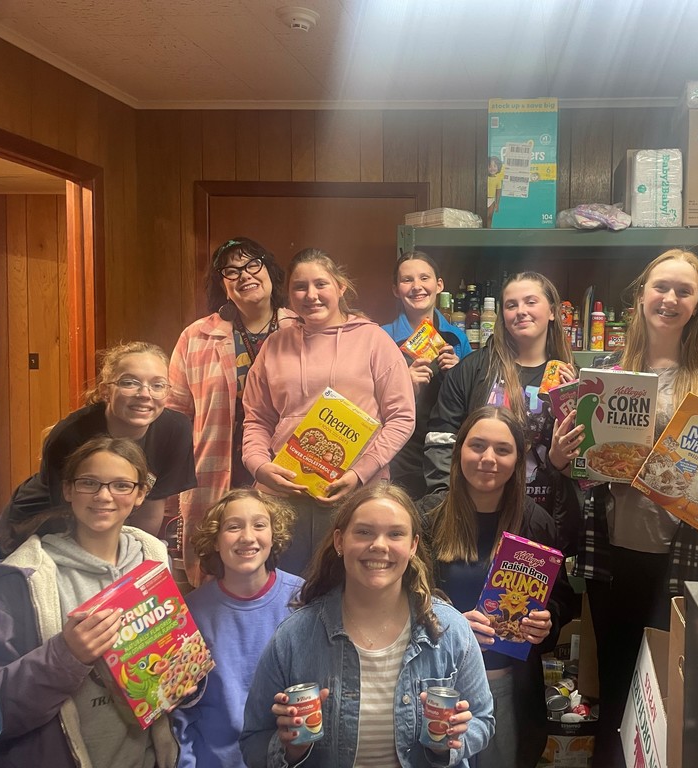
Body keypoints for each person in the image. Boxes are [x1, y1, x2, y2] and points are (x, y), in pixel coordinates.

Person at [560, 249, 698, 768]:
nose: (670, 299)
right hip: (611, 555)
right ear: (641, 294)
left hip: (686, 558)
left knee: (668, 697)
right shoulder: (604, 373)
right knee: (615, 686)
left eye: (684, 291)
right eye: (661, 287)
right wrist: (565, 455)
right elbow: (580, 468)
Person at [240, 481, 494, 768]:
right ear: (339, 541)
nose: (379, 546)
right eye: (364, 532)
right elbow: (253, 742)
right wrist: (290, 749)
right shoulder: (294, 637)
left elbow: (483, 719)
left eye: (395, 534)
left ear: (413, 545)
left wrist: (448, 744)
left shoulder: (450, 629)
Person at [0, 436, 179, 767]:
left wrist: (183, 678)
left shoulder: (155, 561)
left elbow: (171, 669)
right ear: (68, 489)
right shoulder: (19, 579)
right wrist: (65, 655)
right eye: (89, 483)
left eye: (121, 485)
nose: (104, 496)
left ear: (140, 494)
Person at [242, 248, 415, 576]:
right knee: (285, 589)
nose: (311, 295)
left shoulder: (374, 340)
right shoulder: (275, 345)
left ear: (340, 287)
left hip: (354, 494)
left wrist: (359, 474)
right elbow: (257, 419)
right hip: (283, 494)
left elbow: (402, 417)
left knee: (346, 590)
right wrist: (259, 466)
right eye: (300, 287)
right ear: (289, 294)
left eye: (320, 284)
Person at [419, 406, 573, 768]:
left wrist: (546, 623)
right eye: (477, 446)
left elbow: (561, 599)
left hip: (504, 686)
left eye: (502, 450)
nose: (488, 458)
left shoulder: (536, 522)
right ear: (459, 451)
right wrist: (452, 625)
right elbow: (402, 602)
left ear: (518, 459)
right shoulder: (426, 516)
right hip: (436, 684)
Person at [168, 237, 296, 586]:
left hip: (288, 473)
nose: (245, 275)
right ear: (222, 284)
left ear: (270, 270)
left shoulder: (303, 329)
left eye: (253, 264)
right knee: (215, 575)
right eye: (232, 271)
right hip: (215, 473)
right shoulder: (196, 336)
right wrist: (167, 495)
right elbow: (175, 418)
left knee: (287, 572)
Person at [425, 271, 579, 555]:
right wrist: (448, 502)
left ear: (552, 312)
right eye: (511, 305)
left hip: (542, 520)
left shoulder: (572, 379)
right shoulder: (472, 370)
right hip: (474, 516)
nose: (521, 311)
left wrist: (571, 403)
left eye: (530, 302)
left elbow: (586, 465)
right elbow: (441, 440)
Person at [0, 341, 197, 556]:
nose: (145, 394)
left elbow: (150, 511)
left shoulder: (176, 430)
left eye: (157, 385)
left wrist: (136, 559)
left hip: (106, 521)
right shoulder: (69, 434)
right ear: (105, 391)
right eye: (129, 383)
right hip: (44, 520)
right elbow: (68, 513)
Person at [174, 488, 304, 768]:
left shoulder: (304, 599)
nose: (247, 537)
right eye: (233, 527)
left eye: (259, 525)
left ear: (274, 535)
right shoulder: (189, 614)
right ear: (215, 541)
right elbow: (181, 710)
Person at [380, 251, 472, 498]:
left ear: (439, 285)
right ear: (395, 289)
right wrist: (403, 385)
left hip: (448, 454)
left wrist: (458, 374)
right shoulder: (381, 338)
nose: (416, 286)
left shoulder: (457, 338)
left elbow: (474, 401)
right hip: (399, 455)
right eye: (407, 280)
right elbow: (366, 402)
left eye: (424, 278)